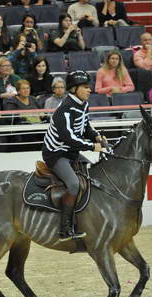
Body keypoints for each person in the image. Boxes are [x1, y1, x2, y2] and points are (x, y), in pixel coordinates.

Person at [42, 70, 106, 241]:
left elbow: (86, 126)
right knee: (73, 185)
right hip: (56, 153)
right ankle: (64, 229)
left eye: (89, 87)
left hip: (71, 151)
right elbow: (69, 138)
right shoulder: (65, 109)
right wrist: (93, 146)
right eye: (85, 87)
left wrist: (96, 136)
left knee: (92, 176)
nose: (89, 90)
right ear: (74, 89)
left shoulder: (83, 104)